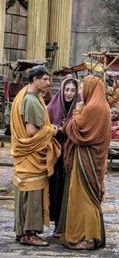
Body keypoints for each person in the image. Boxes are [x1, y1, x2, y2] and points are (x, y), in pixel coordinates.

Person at [57, 75, 111, 251]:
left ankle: (88, 238)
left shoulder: (92, 108)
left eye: (81, 89)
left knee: (84, 199)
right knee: (89, 199)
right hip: (94, 159)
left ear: (90, 88)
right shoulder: (103, 106)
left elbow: (76, 128)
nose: (80, 93)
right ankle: (90, 236)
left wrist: (77, 113)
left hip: (86, 160)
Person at [10, 66, 61, 246]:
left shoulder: (27, 94)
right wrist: (51, 130)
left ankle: (22, 231)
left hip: (25, 156)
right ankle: (30, 234)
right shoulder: (31, 100)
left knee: (24, 192)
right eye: (45, 79)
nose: (48, 83)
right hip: (31, 155)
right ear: (34, 80)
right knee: (32, 194)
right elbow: (31, 131)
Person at [47, 77, 81, 235]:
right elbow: (45, 126)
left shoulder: (80, 108)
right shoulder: (52, 107)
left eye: (73, 90)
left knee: (70, 189)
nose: (69, 93)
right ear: (61, 90)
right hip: (56, 155)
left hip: (72, 154)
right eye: (66, 89)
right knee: (56, 188)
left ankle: (67, 224)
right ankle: (56, 224)